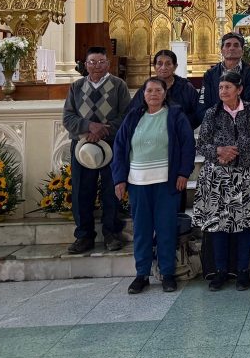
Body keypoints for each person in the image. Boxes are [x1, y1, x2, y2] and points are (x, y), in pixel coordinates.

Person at [112, 77, 195, 294]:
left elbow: (188, 145)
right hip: (138, 183)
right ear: (143, 94)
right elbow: (119, 148)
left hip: (166, 182)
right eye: (149, 90)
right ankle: (142, 274)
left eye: (158, 90)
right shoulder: (133, 117)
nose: (154, 94)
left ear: (165, 94)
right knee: (142, 230)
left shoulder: (175, 116)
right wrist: (119, 179)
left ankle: (167, 273)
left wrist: (183, 173)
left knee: (166, 229)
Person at [194, 71, 250, 291]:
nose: (223, 91)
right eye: (221, 87)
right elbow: (202, 144)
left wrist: (231, 152)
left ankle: (242, 270)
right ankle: (220, 271)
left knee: (245, 224)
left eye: (228, 87)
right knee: (218, 224)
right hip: (218, 177)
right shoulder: (212, 113)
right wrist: (218, 151)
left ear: (239, 89)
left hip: (246, 175)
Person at [62, 46, 132, 254]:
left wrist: (103, 130)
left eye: (101, 62)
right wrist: (89, 127)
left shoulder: (118, 85)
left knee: (112, 189)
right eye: (92, 62)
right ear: (85, 64)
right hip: (82, 147)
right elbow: (68, 117)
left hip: (111, 145)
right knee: (81, 191)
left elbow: (126, 116)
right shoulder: (76, 86)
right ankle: (84, 235)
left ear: (108, 64)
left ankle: (112, 233)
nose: (96, 66)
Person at [127, 49, 205, 129]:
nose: (163, 67)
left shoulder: (185, 87)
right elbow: (132, 113)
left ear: (175, 66)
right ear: (154, 66)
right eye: (159, 64)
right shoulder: (148, 87)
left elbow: (198, 112)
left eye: (168, 64)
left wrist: (181, 125)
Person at [200, 33, 250, 113]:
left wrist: (236, 117)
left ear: (242, 51)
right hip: (214, 118)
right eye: (228, 45)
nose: (231, 48)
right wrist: (213, 118)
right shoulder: (210, 74)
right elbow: (202, 103)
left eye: (236, 45)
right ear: (222, 50)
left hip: (243, 119)